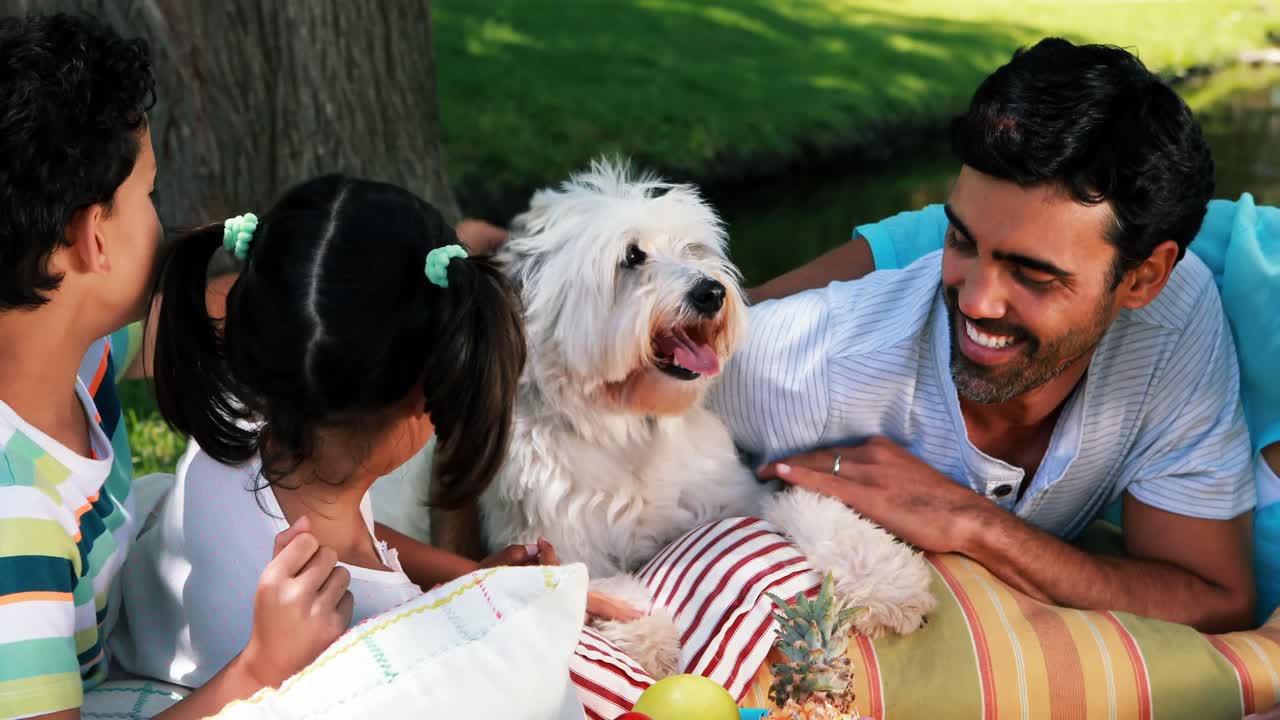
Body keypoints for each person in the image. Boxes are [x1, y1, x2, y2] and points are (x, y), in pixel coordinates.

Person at [711, 38, 1259, 632]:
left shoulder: (1175, 319)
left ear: (1144, 278)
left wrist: (974, 524)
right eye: (961, 240)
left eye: (1031, 274)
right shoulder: (797, 369)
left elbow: (1213, 597)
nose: (975, 300)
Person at [112, 174, 641, 688]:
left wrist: (472, 576)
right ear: (421, 398)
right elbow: (354, 559)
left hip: (137, 636)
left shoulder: (242, 420)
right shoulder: (366, 623)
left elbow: (352, 534)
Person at [0, 14, 357, 720]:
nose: (161, 220)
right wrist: (259, 668)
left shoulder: (72, 353)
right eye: (149, 194)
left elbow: (195, 323)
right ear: (92, 237)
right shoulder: (18, 524)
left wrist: (323, 288)